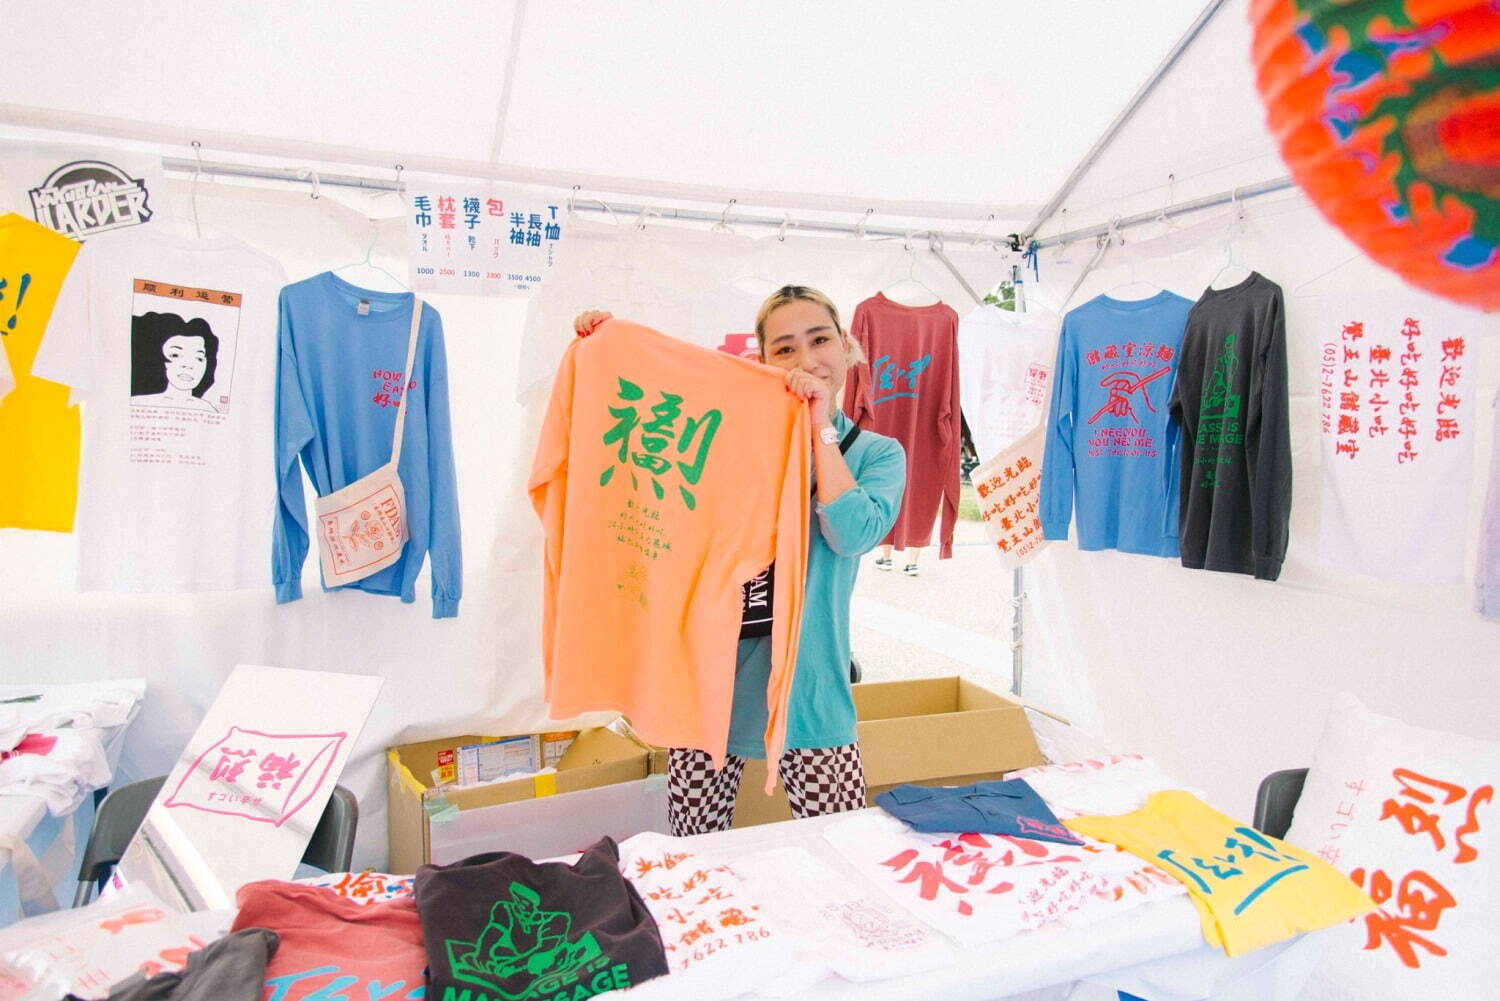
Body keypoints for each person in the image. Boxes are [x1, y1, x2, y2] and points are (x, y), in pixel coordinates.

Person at [574, 286, 906, 834]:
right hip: (706, 687)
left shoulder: (876, 453)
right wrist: (612, 348)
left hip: (811, 691)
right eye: (785, 349)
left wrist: (820, 422)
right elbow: (654, 432)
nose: (806, 359)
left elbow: (850, 533)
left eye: (820, 339)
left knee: (843, 842)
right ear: (762, 362)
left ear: (846, 345)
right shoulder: (726, 443)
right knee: (694, 843)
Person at [130, 311, 220, 412]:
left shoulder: (207, 409)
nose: (188, 365)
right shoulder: (137, 403)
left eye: (198, 358)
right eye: (175, 355)